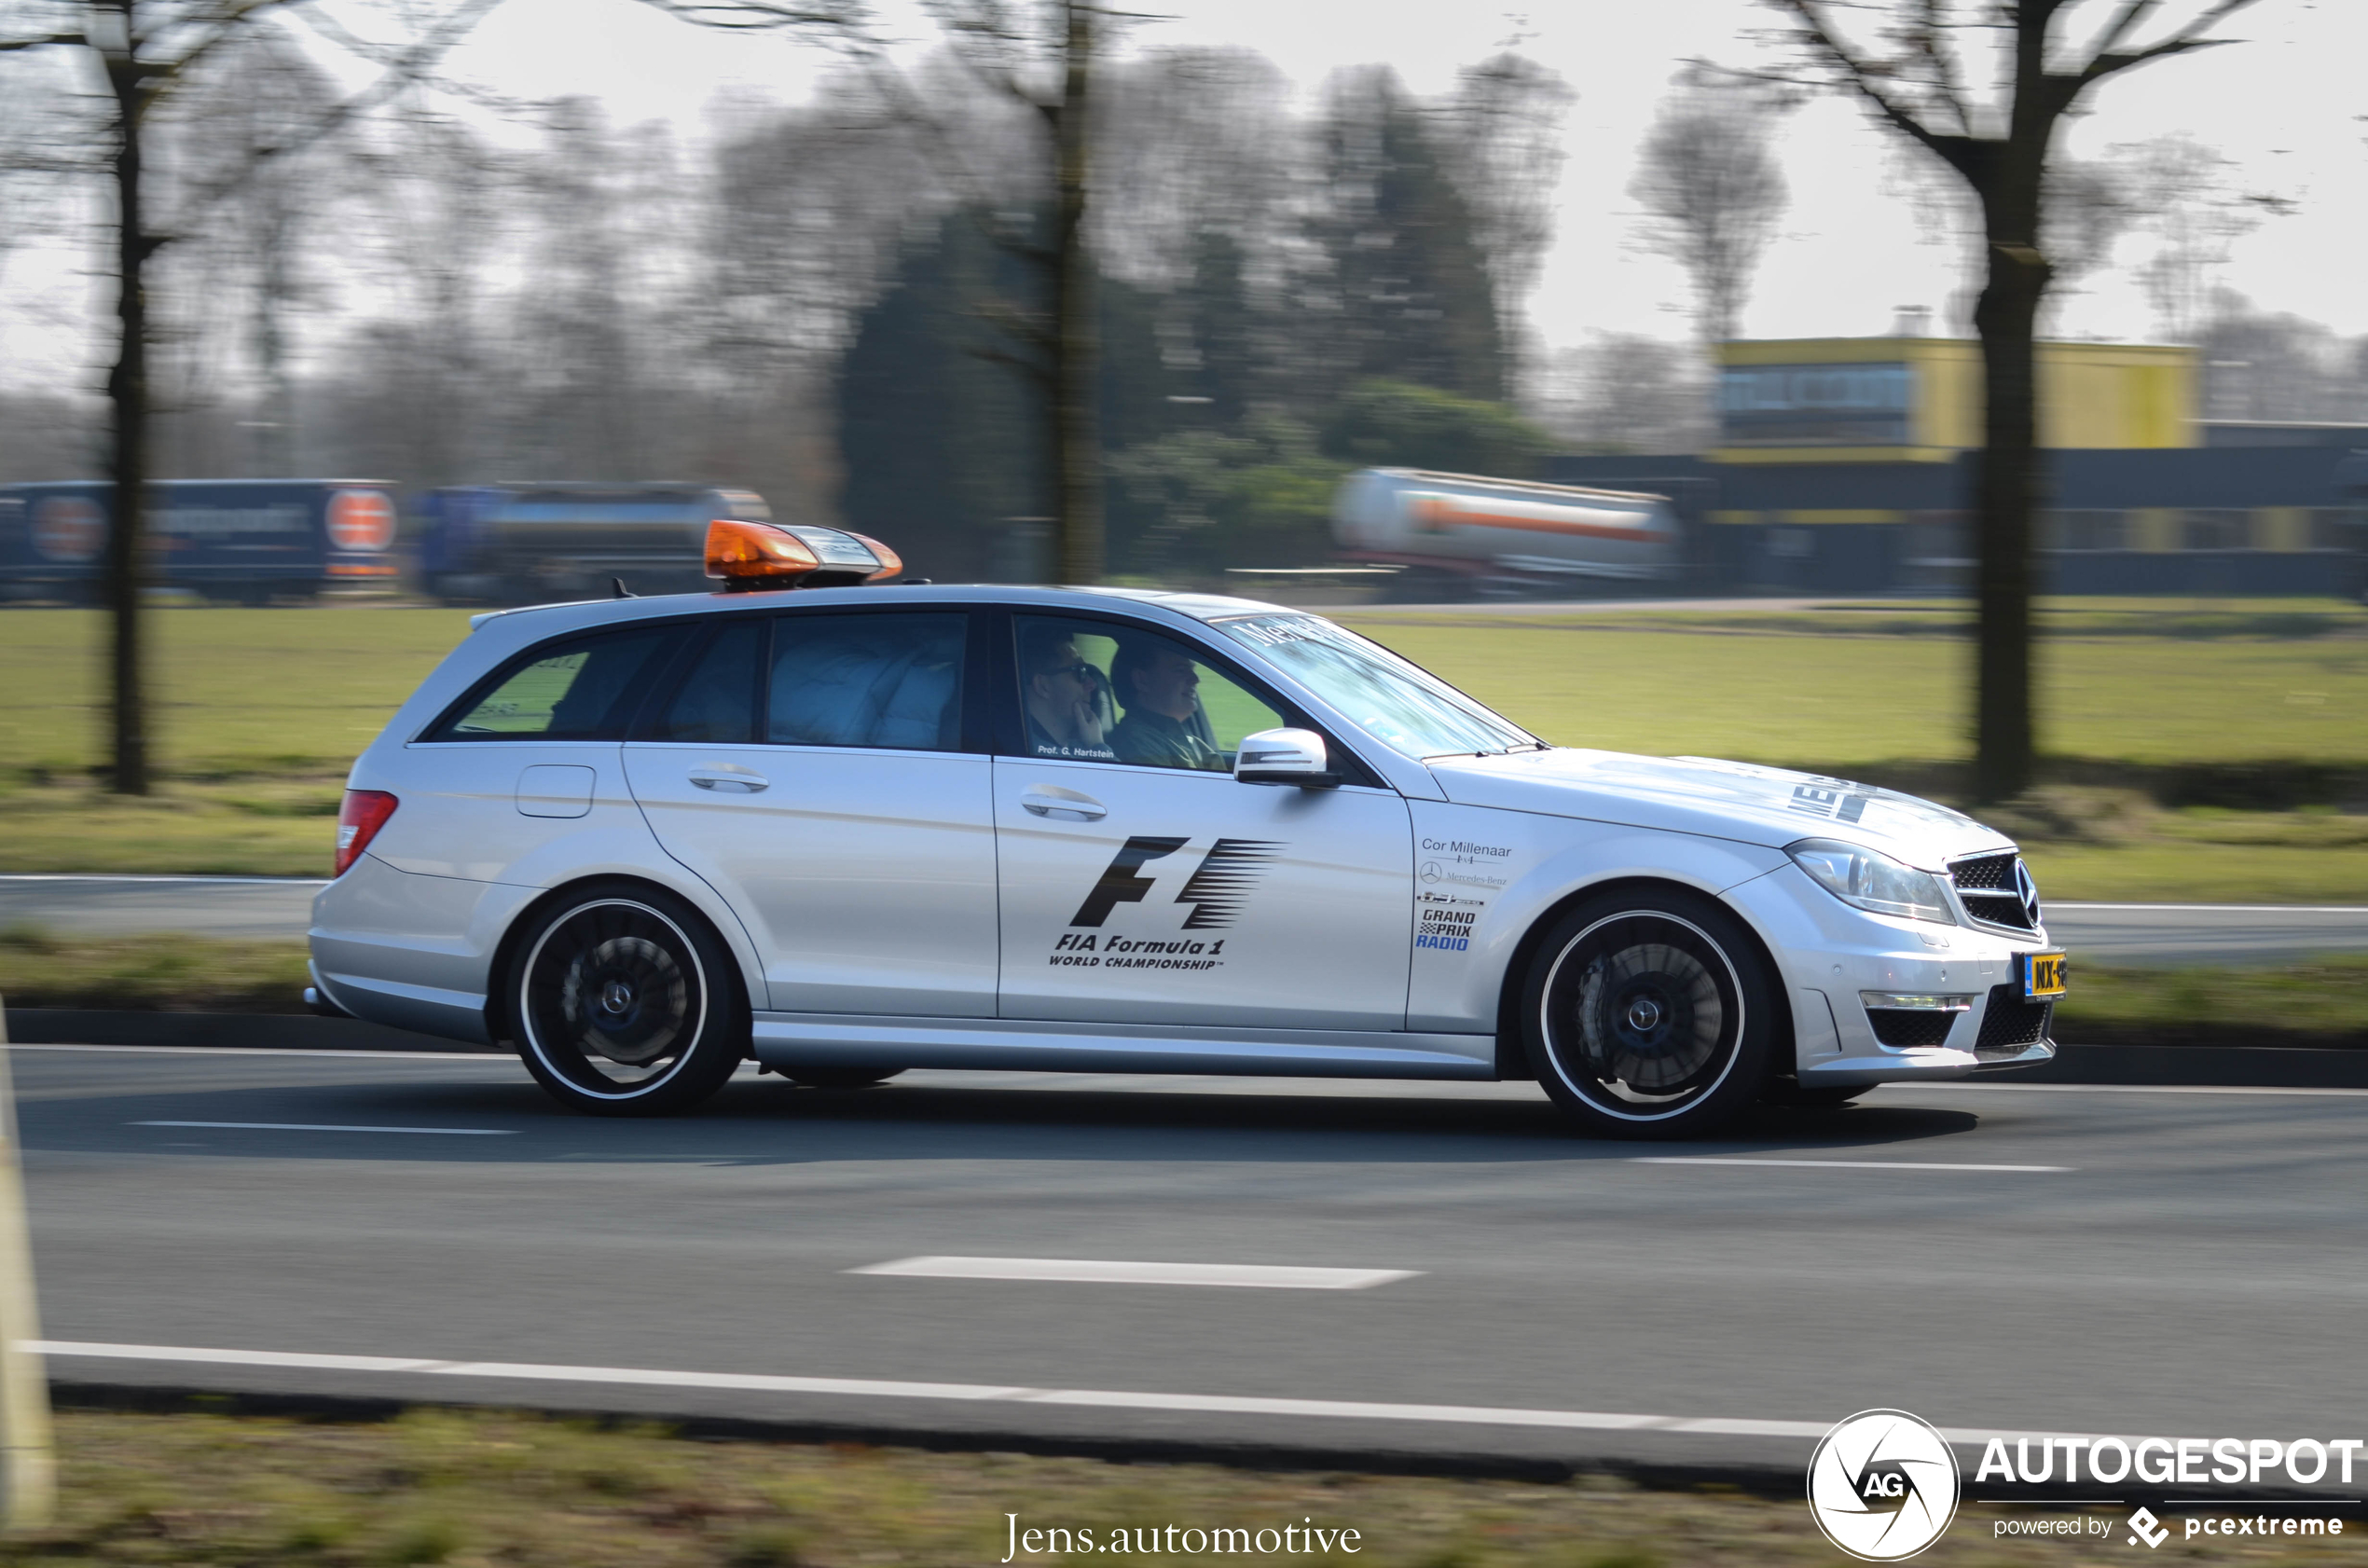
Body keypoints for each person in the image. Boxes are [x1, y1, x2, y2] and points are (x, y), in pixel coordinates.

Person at [1108, 638, 1222, 770]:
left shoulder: (1188, 740)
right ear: (1142, 680)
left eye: (1191, 670)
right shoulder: (1136, 744)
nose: (1195, 679)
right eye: (1180, 670)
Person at [1019, 624, 1115, 760]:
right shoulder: (1037, 758)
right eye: (1080, 672)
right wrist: (1098, 747)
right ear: (1043, 686)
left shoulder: (1075, 749)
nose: (1092, 684)